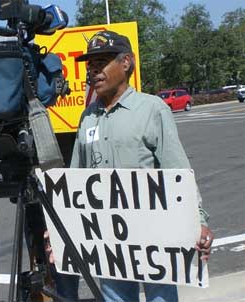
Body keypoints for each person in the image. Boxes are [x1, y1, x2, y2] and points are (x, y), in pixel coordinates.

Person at [55, 30, 214, 302]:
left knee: (160, 298)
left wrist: (197, 221)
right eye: (90, 65)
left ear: (125, 62)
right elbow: (75, 180)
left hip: (155, 236)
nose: (93, 71)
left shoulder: (152, 109)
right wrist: (61, 226)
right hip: (109, 237)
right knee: (115, 296)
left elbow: (177, 170)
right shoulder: (88, 117)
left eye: (101, 62)